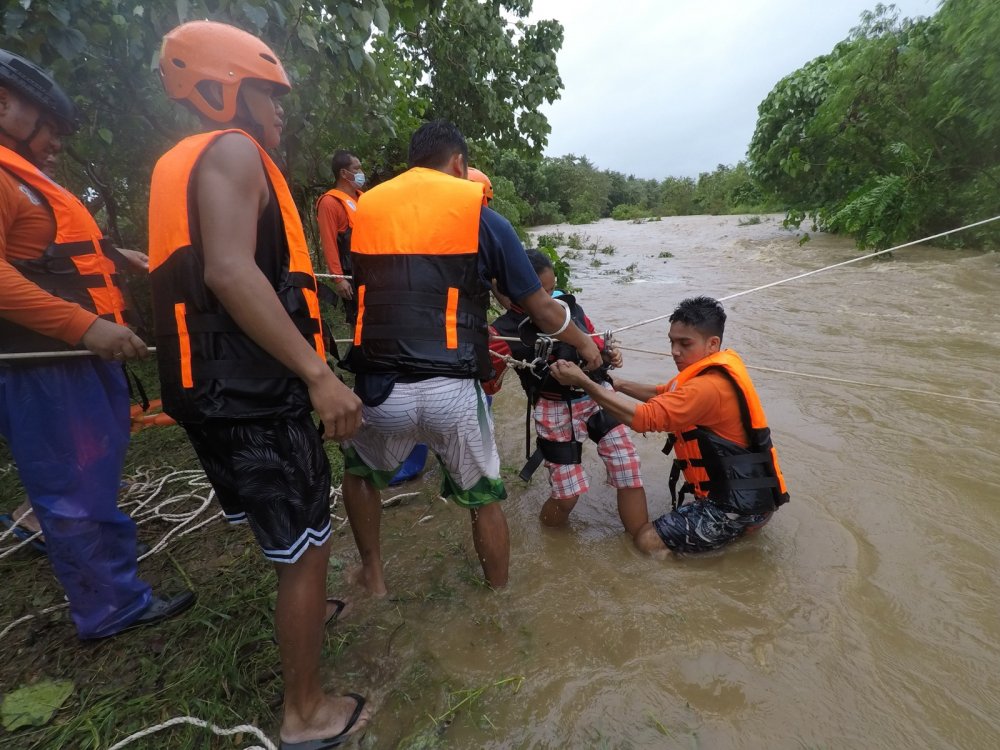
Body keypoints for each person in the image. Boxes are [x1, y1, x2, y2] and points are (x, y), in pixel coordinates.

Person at [150, 21, 370, 748]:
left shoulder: (177, 165)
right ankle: (305, 712)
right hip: (254, 395)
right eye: (270, 96)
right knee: (308, 550)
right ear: (223, 91)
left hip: (204, 392)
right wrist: (317, 376)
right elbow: (230, 272)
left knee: (289, 543)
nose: (280, 113)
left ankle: (304, 610)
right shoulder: (234, 152)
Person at [339, 120, 602, 596]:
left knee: (358, 474)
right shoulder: (480, 216)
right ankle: (498, 596)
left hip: (380, 389)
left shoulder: (366, 209)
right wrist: (586, 345)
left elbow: (365, 292)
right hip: (452, 389)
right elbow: (540, 309)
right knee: (485, 499)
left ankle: (373, 575)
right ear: (459, 164)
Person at [0, 49, 194, 638]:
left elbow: (45, 251)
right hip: (48, 366)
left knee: (90, 475)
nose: (56, 141)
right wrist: (87, 327)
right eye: (49, 127)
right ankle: (110, 607)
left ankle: (95, 576)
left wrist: (117, 256)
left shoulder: (24, 178)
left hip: (77, 362)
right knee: (75, 488)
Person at [548, 296, 790, 556]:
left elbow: (643, 419)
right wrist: (615, 383)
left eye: (685, 343)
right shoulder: (711, 373)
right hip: (752, 497)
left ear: (713, 344)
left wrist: (584, 382)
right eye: (672, 342)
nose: (675, 351)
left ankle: (718, 560)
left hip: (740, 507)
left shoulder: (707, 387)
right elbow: (662, 393)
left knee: (646, 541)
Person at [484, 249, 648, 536]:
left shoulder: (572, 307)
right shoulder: (502, 334)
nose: (549, 300)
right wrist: (487, 355)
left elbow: (595, 343)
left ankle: (644, 542)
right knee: (567, 494)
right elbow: (490, 385)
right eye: (541, 293)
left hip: (597, 394)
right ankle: (550, 543)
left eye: (551, 288)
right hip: (554, 408)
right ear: (517, 292)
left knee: (628, 470)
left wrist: (610, 355)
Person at [316, 149, 363, 324]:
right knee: (358, 321)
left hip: (371, 270)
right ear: (344, 173)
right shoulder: (330, 203)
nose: (361, 173)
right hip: (351, 273)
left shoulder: (364, 199)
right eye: (357, 169)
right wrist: (338, 278)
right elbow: (329, 242)